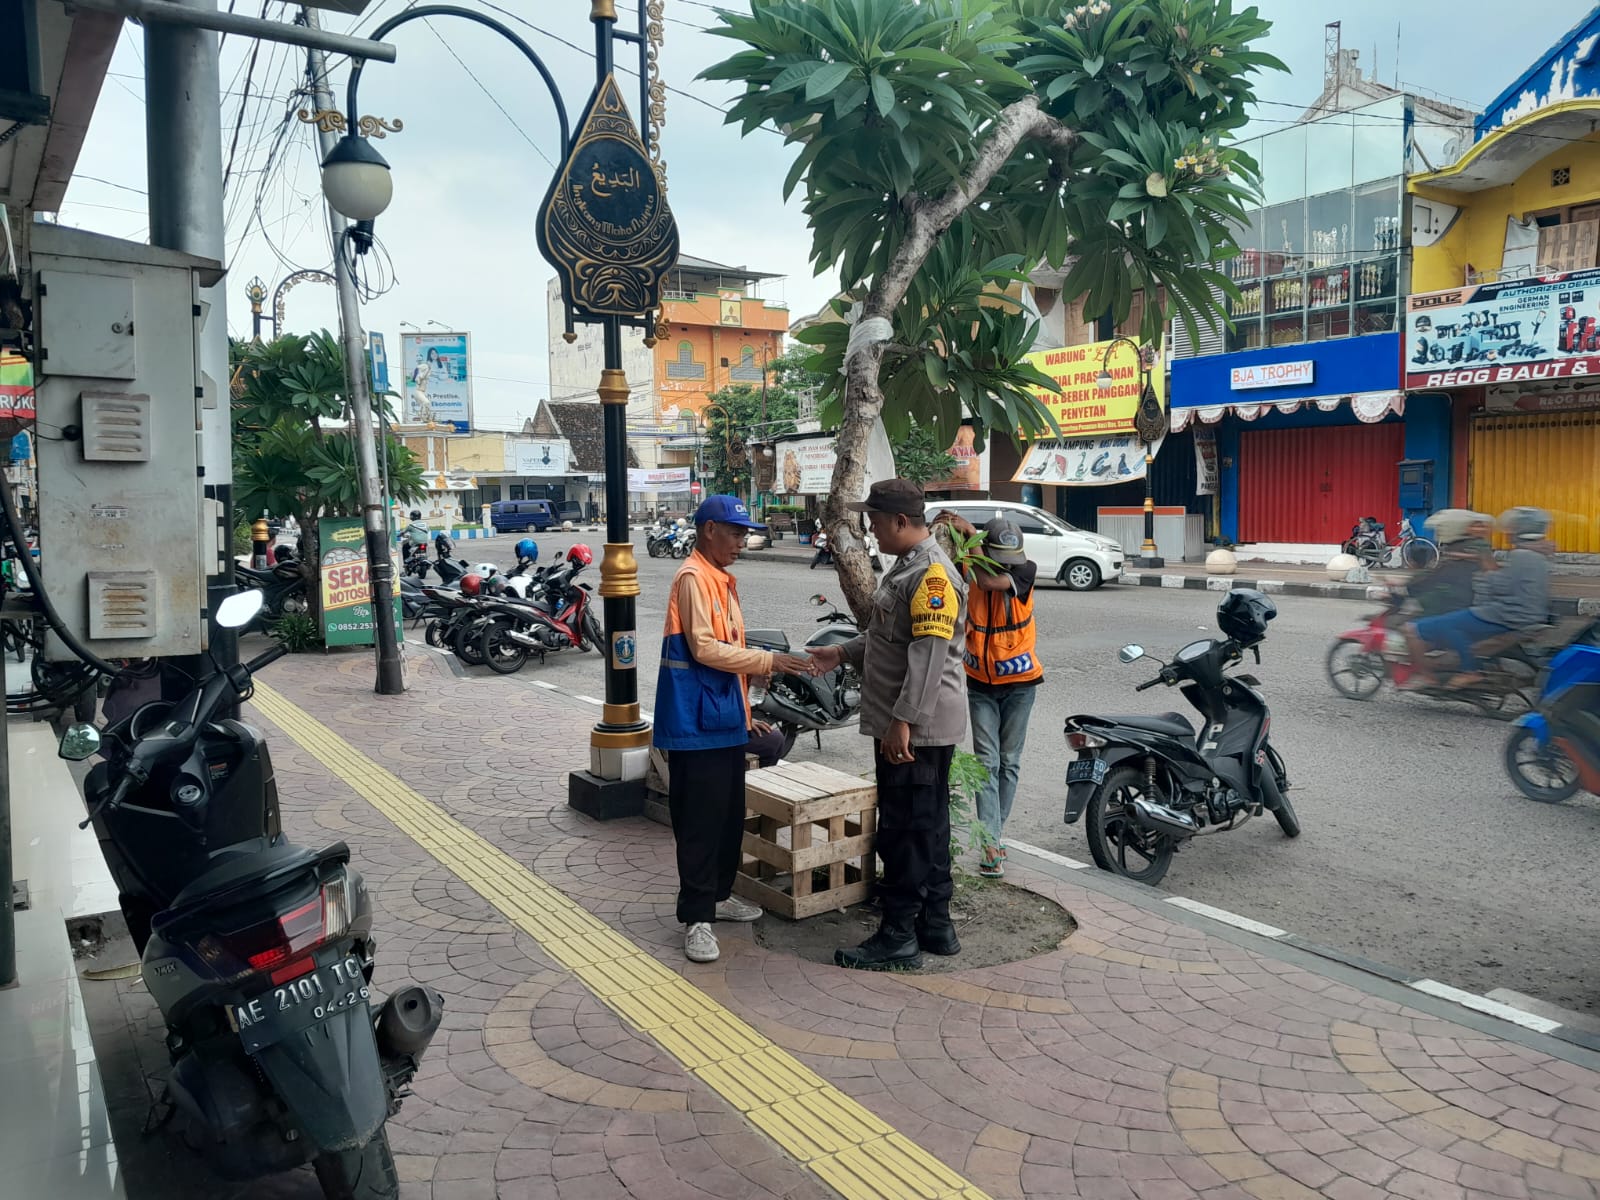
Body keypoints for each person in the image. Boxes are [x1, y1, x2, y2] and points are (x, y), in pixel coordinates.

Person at [809, 479, 969, 971]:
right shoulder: (907, 568)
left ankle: (898, 937)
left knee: (905, 829)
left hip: (915, 727)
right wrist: (840, 651)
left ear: (901, 521)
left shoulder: (932, 576)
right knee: (928, 826)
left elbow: (927, 656)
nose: (872, 531)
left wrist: (903, 723)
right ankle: (935, 926)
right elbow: (887, 637)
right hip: (915, 723)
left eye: (876, 522)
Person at [654, 494, 813, 964]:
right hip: (693, 720)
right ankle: (697, 917)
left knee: (726, 816)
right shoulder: (693, 578)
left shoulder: (720, 579)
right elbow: (704, 649)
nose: (743, 541)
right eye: (736, 532)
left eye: (745, 533)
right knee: (701, 821)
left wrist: (748, 699)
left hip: (723, 716)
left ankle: (719, 897)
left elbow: (728, 651)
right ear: (709, 531)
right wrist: (770, 661)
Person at [934, 512, 1040, 877]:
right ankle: (991, 843)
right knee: (987, 764)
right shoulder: (969, 563)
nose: (1008, 565)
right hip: (980, 683)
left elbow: (988, 580)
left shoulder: (1025, 572)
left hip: (1021, 684)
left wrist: (972, 535)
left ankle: (994, 833)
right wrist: (966, 539)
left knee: (1009, 762)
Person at [1406, 506, 1553, 689]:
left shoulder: (1520, 555)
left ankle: (1469, 671)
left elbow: (1502, 586)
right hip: (1524, 613)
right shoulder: (1538, 555)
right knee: (1454, 624)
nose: (1507, 532)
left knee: (1445, 624)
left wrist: (1487, 575)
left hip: (1507, 614)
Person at [1406, 510, 1492, 617]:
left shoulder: (1474, 545)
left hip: (1459, 596)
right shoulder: (1456, 545)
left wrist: (1410, 583)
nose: (1439, 532)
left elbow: (1437, 573)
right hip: (1457, 593)